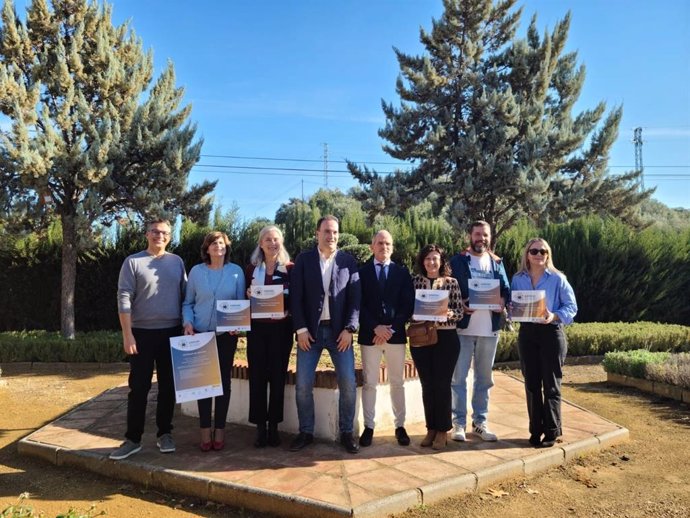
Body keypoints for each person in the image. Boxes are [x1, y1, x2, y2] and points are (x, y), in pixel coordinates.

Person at [110, 218, 187, 460]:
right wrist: (127, 334)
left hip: (172, 332)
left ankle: (165, 433)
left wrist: (186, 325)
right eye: (155, 232)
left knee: (168, 387)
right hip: (141, 333)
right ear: (147, 234)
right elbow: (124, 299)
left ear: (170, 236)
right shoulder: (132, 262)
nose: (159, 236)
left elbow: (185, 297)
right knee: (139, 387)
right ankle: (133, 439)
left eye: (164, 233)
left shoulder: (177, 262)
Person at [289, 215, 361, 454]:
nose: (332, 236)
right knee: (302, 385)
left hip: (340, 332)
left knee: (349, 383)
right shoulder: (304, 260)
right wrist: (300, 329)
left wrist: (350, 328)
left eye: (335, 232)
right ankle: (306, 431)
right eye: (327, 232)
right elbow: (296, 297)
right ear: (317, 234)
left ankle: (346, 433)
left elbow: (355, 298)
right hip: (310, 332)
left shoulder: (348, 261)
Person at [511, 238, 578, 448]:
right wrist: (511, 310)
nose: (538, 254)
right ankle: (535, 430)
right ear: (527, 254)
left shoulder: (558, 278)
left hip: (551, 333)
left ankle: (551, 431)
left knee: (551, 385)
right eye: (534, 251)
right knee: (531, 384)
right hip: (527, 334)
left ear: (548, 255)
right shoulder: (517, 278)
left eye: (543, 251)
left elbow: (571, 307)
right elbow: (513, 305)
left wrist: (554, 316)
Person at [182, 231, 245, 452]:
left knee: (223, 384)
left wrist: (237, 324)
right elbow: (188, 303)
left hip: (225, 337)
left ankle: (220, 430)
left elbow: (240, 304)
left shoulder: (236, 272)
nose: (218, 246)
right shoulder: (197, 272)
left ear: (226, 248)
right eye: (213, 243)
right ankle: (204, 431)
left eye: (222, 243)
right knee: (203, 385)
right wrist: (188, 323)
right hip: (200, 334)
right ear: (206, 249)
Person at [449, 220, 510, 442]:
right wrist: (460, 306)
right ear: (470, 236)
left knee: (484, 379)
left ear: (490, 237)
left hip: (489, 330)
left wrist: (502, 302)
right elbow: (448, 288)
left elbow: (506, 289)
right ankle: (458, 424)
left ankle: (480, 423)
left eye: (485, 235)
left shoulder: (496, 263)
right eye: (477, 234)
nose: (481, 239)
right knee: (458, 379)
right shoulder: (457, 261)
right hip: (463, 329)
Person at [357, 230, 415, 447]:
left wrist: (391, 328)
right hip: (370, 336)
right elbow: (357, 304)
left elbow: (407, 304)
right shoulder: (361, 273)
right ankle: (369, 427)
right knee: (370, 383)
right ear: (372, 246)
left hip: (395, 335)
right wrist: (375, 327)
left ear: (392, 247)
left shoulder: (402, 273)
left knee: (397, 382)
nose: (384, 247)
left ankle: (400, 426)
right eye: (380, 243)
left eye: (388, 243)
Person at [245, 225, 293, 448]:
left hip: (281, 331)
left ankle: (274, 427)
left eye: (276, 239)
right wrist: (247, 295)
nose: (272, 243)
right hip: (256, 331)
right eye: (268, 239)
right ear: (260, 243)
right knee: (256, 378)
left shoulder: (291, 269)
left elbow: (298, 298)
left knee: (277, 378)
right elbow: (242, 302)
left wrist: (288, 309)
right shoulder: (250, 270)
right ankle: (259, 428)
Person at [410, 244, 462, 450]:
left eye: (435, 259)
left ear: (441, 262)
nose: (431, 262)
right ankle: (431, 427)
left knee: (442, 384)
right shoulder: (415, 282)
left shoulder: (451, 283)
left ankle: (443, 430)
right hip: (421, 339)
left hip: (446, 339)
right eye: (428, 259)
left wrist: (449, 313)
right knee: (427, 385)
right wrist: (414, 313)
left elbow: (459, 312)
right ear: (422, 261)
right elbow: (407, 308)